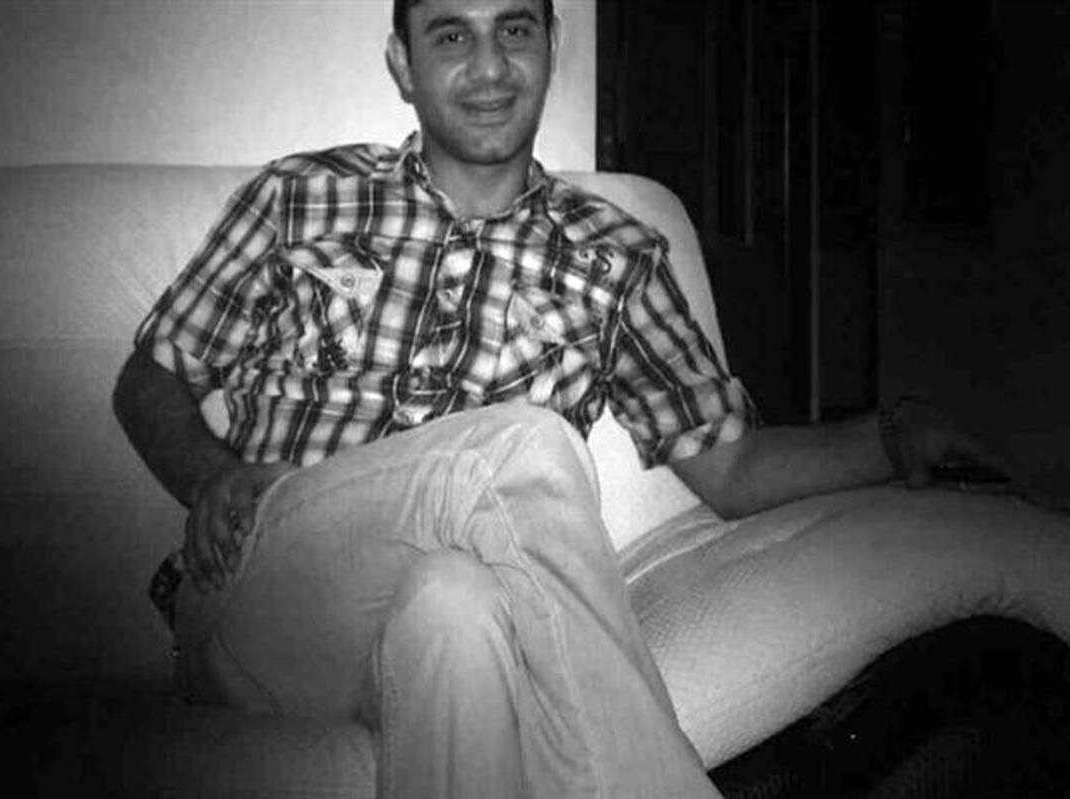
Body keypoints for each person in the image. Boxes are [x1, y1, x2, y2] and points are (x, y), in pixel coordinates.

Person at [112, 0, 1000, 796]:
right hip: (272, 593)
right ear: (402, 63)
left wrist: (893, 438)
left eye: (515, 30)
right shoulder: (302, 199)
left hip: (445, 632)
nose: (489, 66)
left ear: (551, 45)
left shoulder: (616, 254)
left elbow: (733, 466)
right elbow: (148, 380)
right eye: (451, 36)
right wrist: (209, 474)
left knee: (455, 604)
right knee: (526, 445)